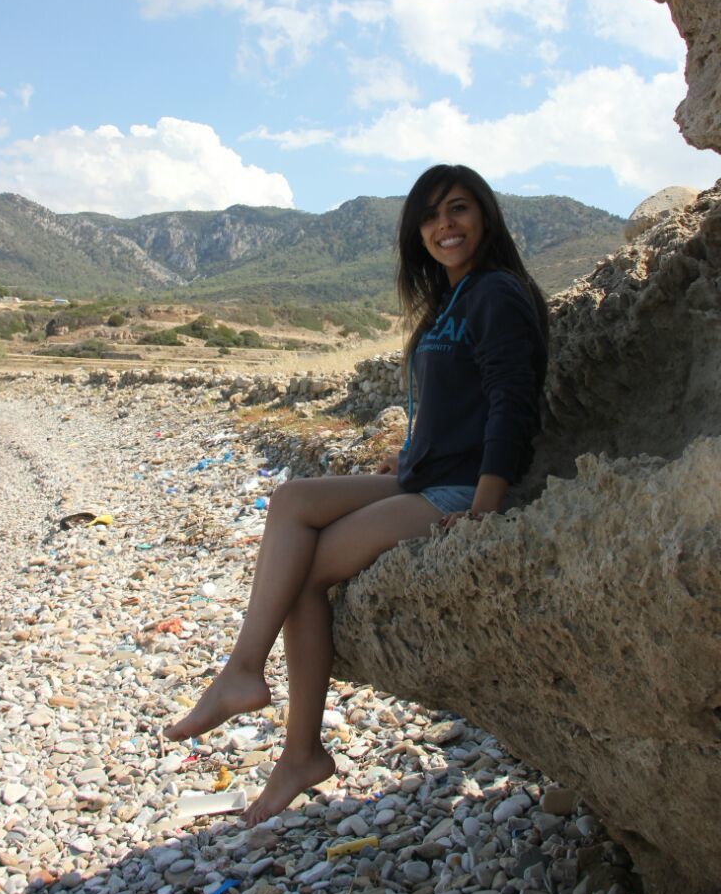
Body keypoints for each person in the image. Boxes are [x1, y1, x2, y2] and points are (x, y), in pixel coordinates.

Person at [164, 164, 548, 825]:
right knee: (290, 502)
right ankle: (247, 677)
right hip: (421, 476)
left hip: (459, 489)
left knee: (303, 577)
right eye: (428, 216)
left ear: (483, 215)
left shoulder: (496, 295)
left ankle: (293, 743)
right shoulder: (449, 301)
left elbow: (512, 409)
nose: (443, 226)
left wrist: (482, 511)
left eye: (457, 209)